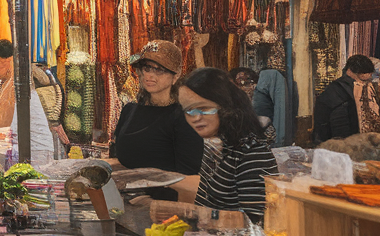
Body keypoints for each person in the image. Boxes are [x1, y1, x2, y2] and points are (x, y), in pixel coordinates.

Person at [178, 67, 279, 223]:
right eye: (189, 110)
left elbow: (255, 222)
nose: (196, 118)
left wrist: (182, 211)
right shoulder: (215, 144)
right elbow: (204, 202)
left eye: (204, 108)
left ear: (225, 107)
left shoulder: (251, 151)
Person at [109, 40, 204, 175]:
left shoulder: (185, 118)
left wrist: (151, 194)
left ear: (175, 76)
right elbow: (124, 161)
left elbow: (191, 179)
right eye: (146, 68)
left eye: (159, 70)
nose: (149, 75)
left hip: (164, 195)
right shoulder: (129, 111)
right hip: (125, 193)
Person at [0, 39, 55, 165]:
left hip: (35, 151)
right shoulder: (9, 83)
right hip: (28, 149)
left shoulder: (15, 86)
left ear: (9, 61)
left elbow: (3, 126)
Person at [314, 54, 376, 142]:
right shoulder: (344, 93)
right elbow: (340, 129)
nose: (366, 84)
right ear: (351, 72)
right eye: (363, 81)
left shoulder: (334, 89)